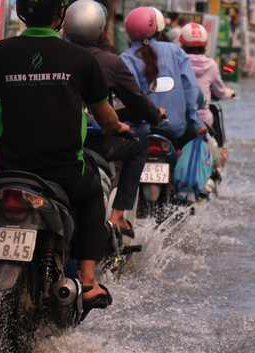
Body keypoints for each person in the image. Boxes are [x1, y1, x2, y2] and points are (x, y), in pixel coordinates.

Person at [0, 0, 130, 311]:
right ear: (60, 15)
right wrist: (117, 128)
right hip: (63, 170)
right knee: (92, 196)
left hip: (9, 169)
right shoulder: (81, 58)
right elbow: (105, 116)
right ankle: (87, 281)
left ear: (20, 12)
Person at [63, 0, 164, 238]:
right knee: (139, 144)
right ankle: (117, 214)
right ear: (100, 31)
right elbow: (136, 100)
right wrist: (155, 115)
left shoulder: (53, 56)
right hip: (93, 140)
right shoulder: (109, 61)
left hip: (54, 139)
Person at [120, 8, 206, 150]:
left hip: (138, 131)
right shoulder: (176, 51)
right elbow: (190, 89)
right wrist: (196, 122)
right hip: (175, 129)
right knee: (201, 153)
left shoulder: (124, 59)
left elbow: (125, 96)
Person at [180, 22, 233, 168]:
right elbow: (221, 93)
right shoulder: (211, 65)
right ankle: (219, 157)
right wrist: (229, 93)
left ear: (182, 44)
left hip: (178, 121)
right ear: (204, 44)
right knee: (214, 112)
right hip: (203, 122)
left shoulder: (177, 61)